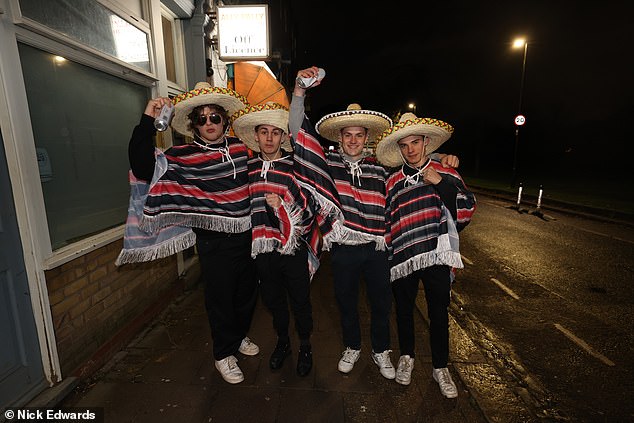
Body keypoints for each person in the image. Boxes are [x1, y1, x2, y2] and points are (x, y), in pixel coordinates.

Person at [290, 66, 458, 380]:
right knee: (346, 303)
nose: (353, 140)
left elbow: (416, 165)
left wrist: (445, 158)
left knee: (382, 305)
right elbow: (299, 136)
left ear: (367, 137)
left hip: (380, 248)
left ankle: (381, 350)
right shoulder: (328, 167)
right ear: (339, 137)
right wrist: (299, 92)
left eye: (359, 135)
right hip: (344, 249)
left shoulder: (381, 168)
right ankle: (352, 346)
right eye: (347, 135)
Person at [125, 82, 260, 385]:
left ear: (225, 120)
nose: (209, 123)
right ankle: (223, 354)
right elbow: (143, 165)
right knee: (221, 300)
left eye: (215, 117)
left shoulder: (242, 149)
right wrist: (148, 118)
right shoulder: (182, 155)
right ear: (193, 124)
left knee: (247, 296)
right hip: (213, 243)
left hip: (247, 237)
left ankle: (238, 338)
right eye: (202, 118)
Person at [375, 112, 476, 396]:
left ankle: (440, 367)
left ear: (426, 142)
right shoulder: (393, 180)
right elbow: (387, 218)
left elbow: (466, 210)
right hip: (404, 256)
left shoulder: (447, 172)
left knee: (438, 314)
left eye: (415, 143)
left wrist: (440, 183)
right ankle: (407, 357)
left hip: (437, 254)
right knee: (404, 311)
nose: (411, 150)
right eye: (405, 145)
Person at [231, 102, 318, 377]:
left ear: (283, 136)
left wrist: (284, 204)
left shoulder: (295, 167)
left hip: (291, 247)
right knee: (274, 301)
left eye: (276, 132)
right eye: (264, 132)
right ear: (255, 136)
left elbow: (310, 204)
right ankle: (283, 342)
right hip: (263, 247)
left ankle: (305, 345)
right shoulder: (248, 168)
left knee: (300, 300)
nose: (269, 138)